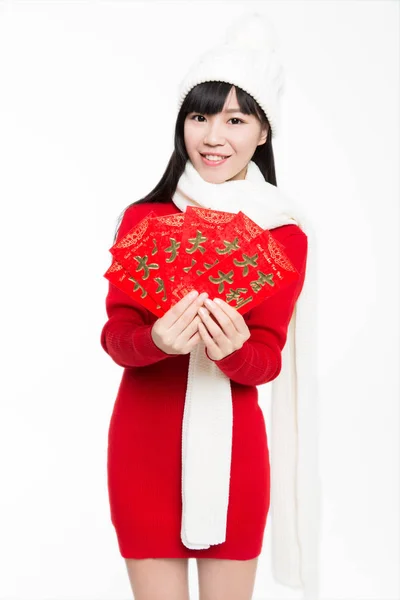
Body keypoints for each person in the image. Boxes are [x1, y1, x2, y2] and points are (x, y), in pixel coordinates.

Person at [100, 11, 321, 600]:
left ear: (263, 132)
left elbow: (268, 359)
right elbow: (116, 333)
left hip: (234, 456)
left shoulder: (282, 233)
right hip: (142, 445)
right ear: (182, 125)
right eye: (199, 117)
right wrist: (157, 343)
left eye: (235, 118)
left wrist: (234, 353)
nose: (213, 136)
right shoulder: (145, 219)